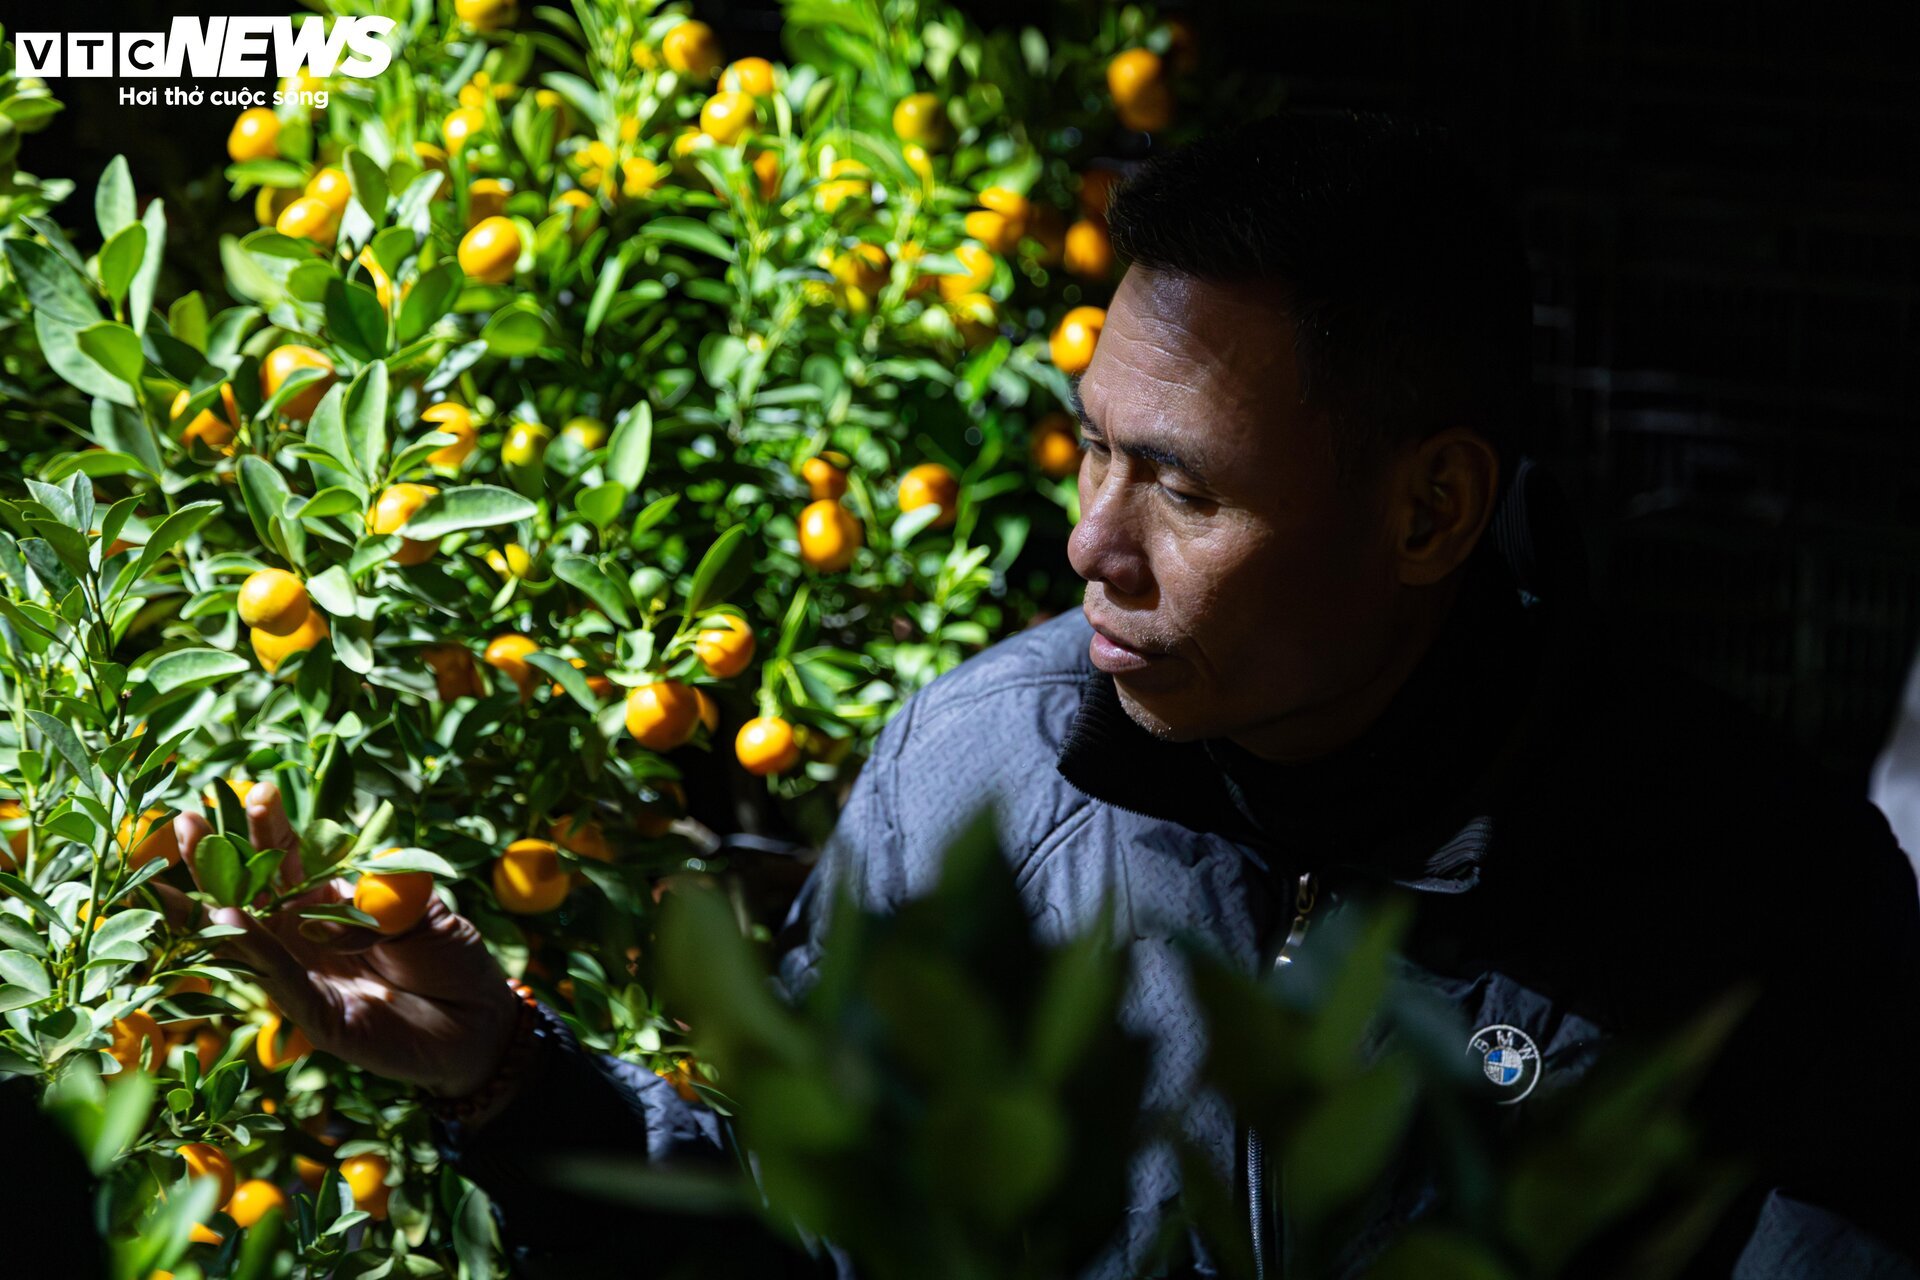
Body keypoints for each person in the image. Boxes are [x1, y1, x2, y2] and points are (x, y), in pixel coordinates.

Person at [172, 112, 1920, 1278]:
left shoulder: (1759, 899)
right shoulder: (980, 773)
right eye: (1090, 450)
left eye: (1186, 488)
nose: (1091, 545)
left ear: (1430, 508)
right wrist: (509, 1083)